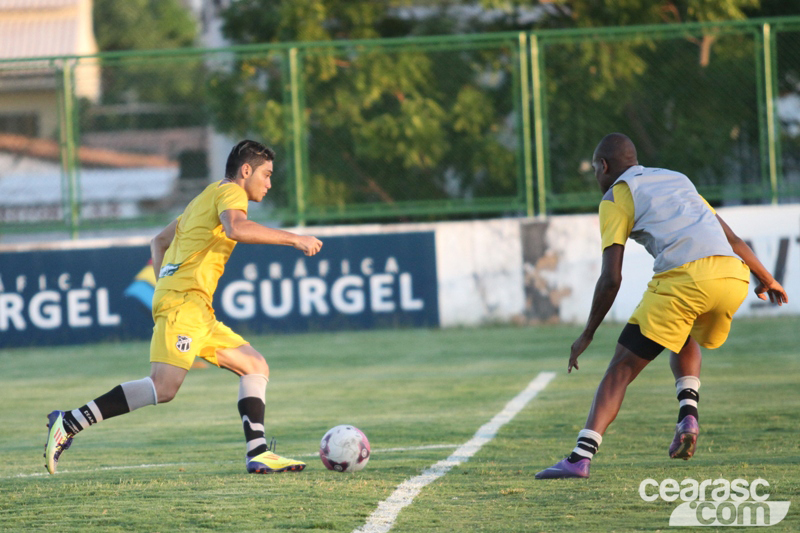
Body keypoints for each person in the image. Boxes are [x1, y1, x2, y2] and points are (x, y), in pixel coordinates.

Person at [44, 140, 323, 475]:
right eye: (266, 174)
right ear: (246, 170)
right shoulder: (231, 192)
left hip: (195, 307)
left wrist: (166, 282)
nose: (269, 183)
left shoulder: (204, 198)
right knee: (163, 387)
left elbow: (159, 241)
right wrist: (295, 238)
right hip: (185, 303)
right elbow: (236, 228)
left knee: (254, 365)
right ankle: (70, 422)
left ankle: (258, 452)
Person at [535, 133, 788, 479]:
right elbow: (730, 237)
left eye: (595, 170)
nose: (596, 177)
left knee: (621, 368)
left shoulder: (616, 196)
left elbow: (611, 278)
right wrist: (767, 278)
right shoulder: (676, 179)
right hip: (733, 276)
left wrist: (587, 334)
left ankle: (580, 457)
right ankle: (688, 412)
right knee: (683, 332)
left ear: (604, 166)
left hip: (685, 280)